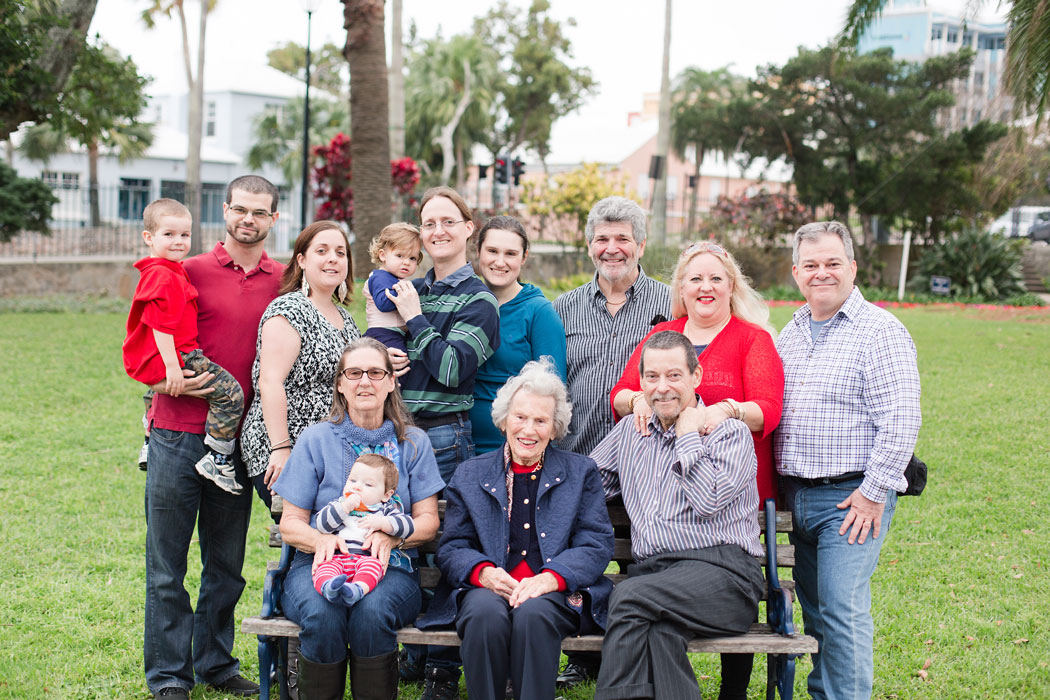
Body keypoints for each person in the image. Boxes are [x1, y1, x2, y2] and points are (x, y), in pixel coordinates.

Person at [609, 242, 783, 699]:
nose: (705, 287)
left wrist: (702, 421)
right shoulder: (661, 342)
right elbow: (620, 400)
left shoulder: (750, 344)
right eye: (694, 279)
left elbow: (767, 408)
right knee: (661, 632)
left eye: (715, 279)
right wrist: (638, 405)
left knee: (627, 598)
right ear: (680, 289)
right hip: (662, 566)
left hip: (723, 548)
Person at [144, 174, 284, 699]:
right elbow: (147, 340)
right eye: (239, 209)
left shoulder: (284, 280)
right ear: (225, 210)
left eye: (259, 212)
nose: (248, 219)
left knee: (225, 565)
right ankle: (167, 677)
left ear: (273, 218)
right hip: (177, 433)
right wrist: (154, 386)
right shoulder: (187, 269)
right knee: (167, 567)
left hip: (240, 441)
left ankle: (215, 664)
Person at [775, 221, 921, 700]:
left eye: (833, 263)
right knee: (816, 611)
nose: (822, 273)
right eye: (811, 265)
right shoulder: (791, 332)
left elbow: (901, 421)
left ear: (852, 268)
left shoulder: (881, 332)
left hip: (851, 497)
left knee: (842, 609)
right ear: (797, 272)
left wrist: (873, 493)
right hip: (796, 496)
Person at [416, 359, 614, 700]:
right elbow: (453, 546)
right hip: (488, 587)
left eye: (541, 421)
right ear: (504, 420)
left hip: (552, 591)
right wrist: (485, 573)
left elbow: (595, 543)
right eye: (520, 417)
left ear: (554, 428)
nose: (529, 429)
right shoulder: (470, 473)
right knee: (483, 614)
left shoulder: (580, 472)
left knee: (533, 614)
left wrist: (551, 578)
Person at [591, 331, 765, 700]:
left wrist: (687, 438)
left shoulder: (728, 434)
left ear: (696, 376)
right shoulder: (630, 433)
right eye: (652, 377)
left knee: (628, 598)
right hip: (658, 576)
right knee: (660, 633)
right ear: (640, 383)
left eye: (674, 375)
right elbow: (585, 485)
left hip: (725, 576)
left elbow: (708, 500)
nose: (662, 388)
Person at [274, 337, 445, 700]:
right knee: (323, 613)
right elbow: (290, 522)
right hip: (316, 564)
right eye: (353, 373)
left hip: (391, 567)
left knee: (372, 612)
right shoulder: (316, 439)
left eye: (375, 372)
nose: (364, 381)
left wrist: (395, 536)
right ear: (340, 383)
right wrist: (319, 539)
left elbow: (429, 520)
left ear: (391, 382)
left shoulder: (413, 442)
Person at [384, 187, 500, 700]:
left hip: (447, 438)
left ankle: (441, 667)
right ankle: (409, 652)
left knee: (446, 547)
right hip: (398, 433)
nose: (438, 231)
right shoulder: (409, 285)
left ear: (468, 228)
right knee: (401, 540)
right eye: (429, 222)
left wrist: (415, 320)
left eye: (449, 221)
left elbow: (453, 369)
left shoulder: (480, 300)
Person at [551, 195, 669, 687]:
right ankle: (587, 657)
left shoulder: (669, 304)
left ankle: (642, 657)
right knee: (581, 559)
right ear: (589, 245)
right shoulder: (563, 308)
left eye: (622, 238)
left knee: (643, 564)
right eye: (602, 238)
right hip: (581, 461)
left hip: (651, 464)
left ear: (641, 244)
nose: (612, 248)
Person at [123, 198, 245, 493]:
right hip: (181, 354)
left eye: (185, 235)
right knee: (231, 395)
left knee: (155, 392)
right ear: (148, 238)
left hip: (174, 353)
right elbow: (160, 326)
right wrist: (172, 367)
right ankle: (217, 457)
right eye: (169, 234)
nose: (179, 241)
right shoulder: (163, 275)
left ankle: (149, 439)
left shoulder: (169, 269)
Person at [240, 221, 361, 516]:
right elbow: (270, 383)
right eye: (322, 251)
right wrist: (281, 449)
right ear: (302, 260)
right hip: (288, 448)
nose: (333, 258)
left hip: (331, 451)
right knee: (308, 534)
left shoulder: (346, 319)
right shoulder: (289, 311)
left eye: (340, 252)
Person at [469, 215, 566, 453]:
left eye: (510, 254)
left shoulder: (538, 313)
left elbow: (553, 393)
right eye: (492, 251)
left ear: (524, 258)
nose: (500, 262)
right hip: (457, 443)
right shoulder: (464, 303)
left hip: (513, 449)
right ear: (478, 252)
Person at [311, 453, 414, 607]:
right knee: (324, 568)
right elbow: (321, 524)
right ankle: (329, 588)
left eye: (369, 485)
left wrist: (382, 523)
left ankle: (356, 590)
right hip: (338, 558)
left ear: (386, 495)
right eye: (352, 480)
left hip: (367, 559)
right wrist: (344, 508)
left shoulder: (384, 510)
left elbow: (408, 527)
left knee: (373, 569)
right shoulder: (340, 505)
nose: (357, 486)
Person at [363, 222, 424, 353]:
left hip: (393, 333)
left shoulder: (396, 278)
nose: (406, 262)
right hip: (383, 334)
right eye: (400, 256)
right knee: (399, 362)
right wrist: (409, 292)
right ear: (383, 255)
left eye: (412, 258)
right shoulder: (380, 277)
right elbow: (383, 303)